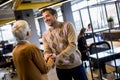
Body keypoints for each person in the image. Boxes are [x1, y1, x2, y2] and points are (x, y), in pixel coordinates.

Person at [41, 8, 88, 80]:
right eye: (44, 17)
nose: (45, 19)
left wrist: (58, 57)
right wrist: (47, 56)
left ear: (55, 15)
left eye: (47, 16)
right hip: (61, 68)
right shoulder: (45, 35)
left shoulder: (68, 26)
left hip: (75, 65)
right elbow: (47, 51)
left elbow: (73, 45)